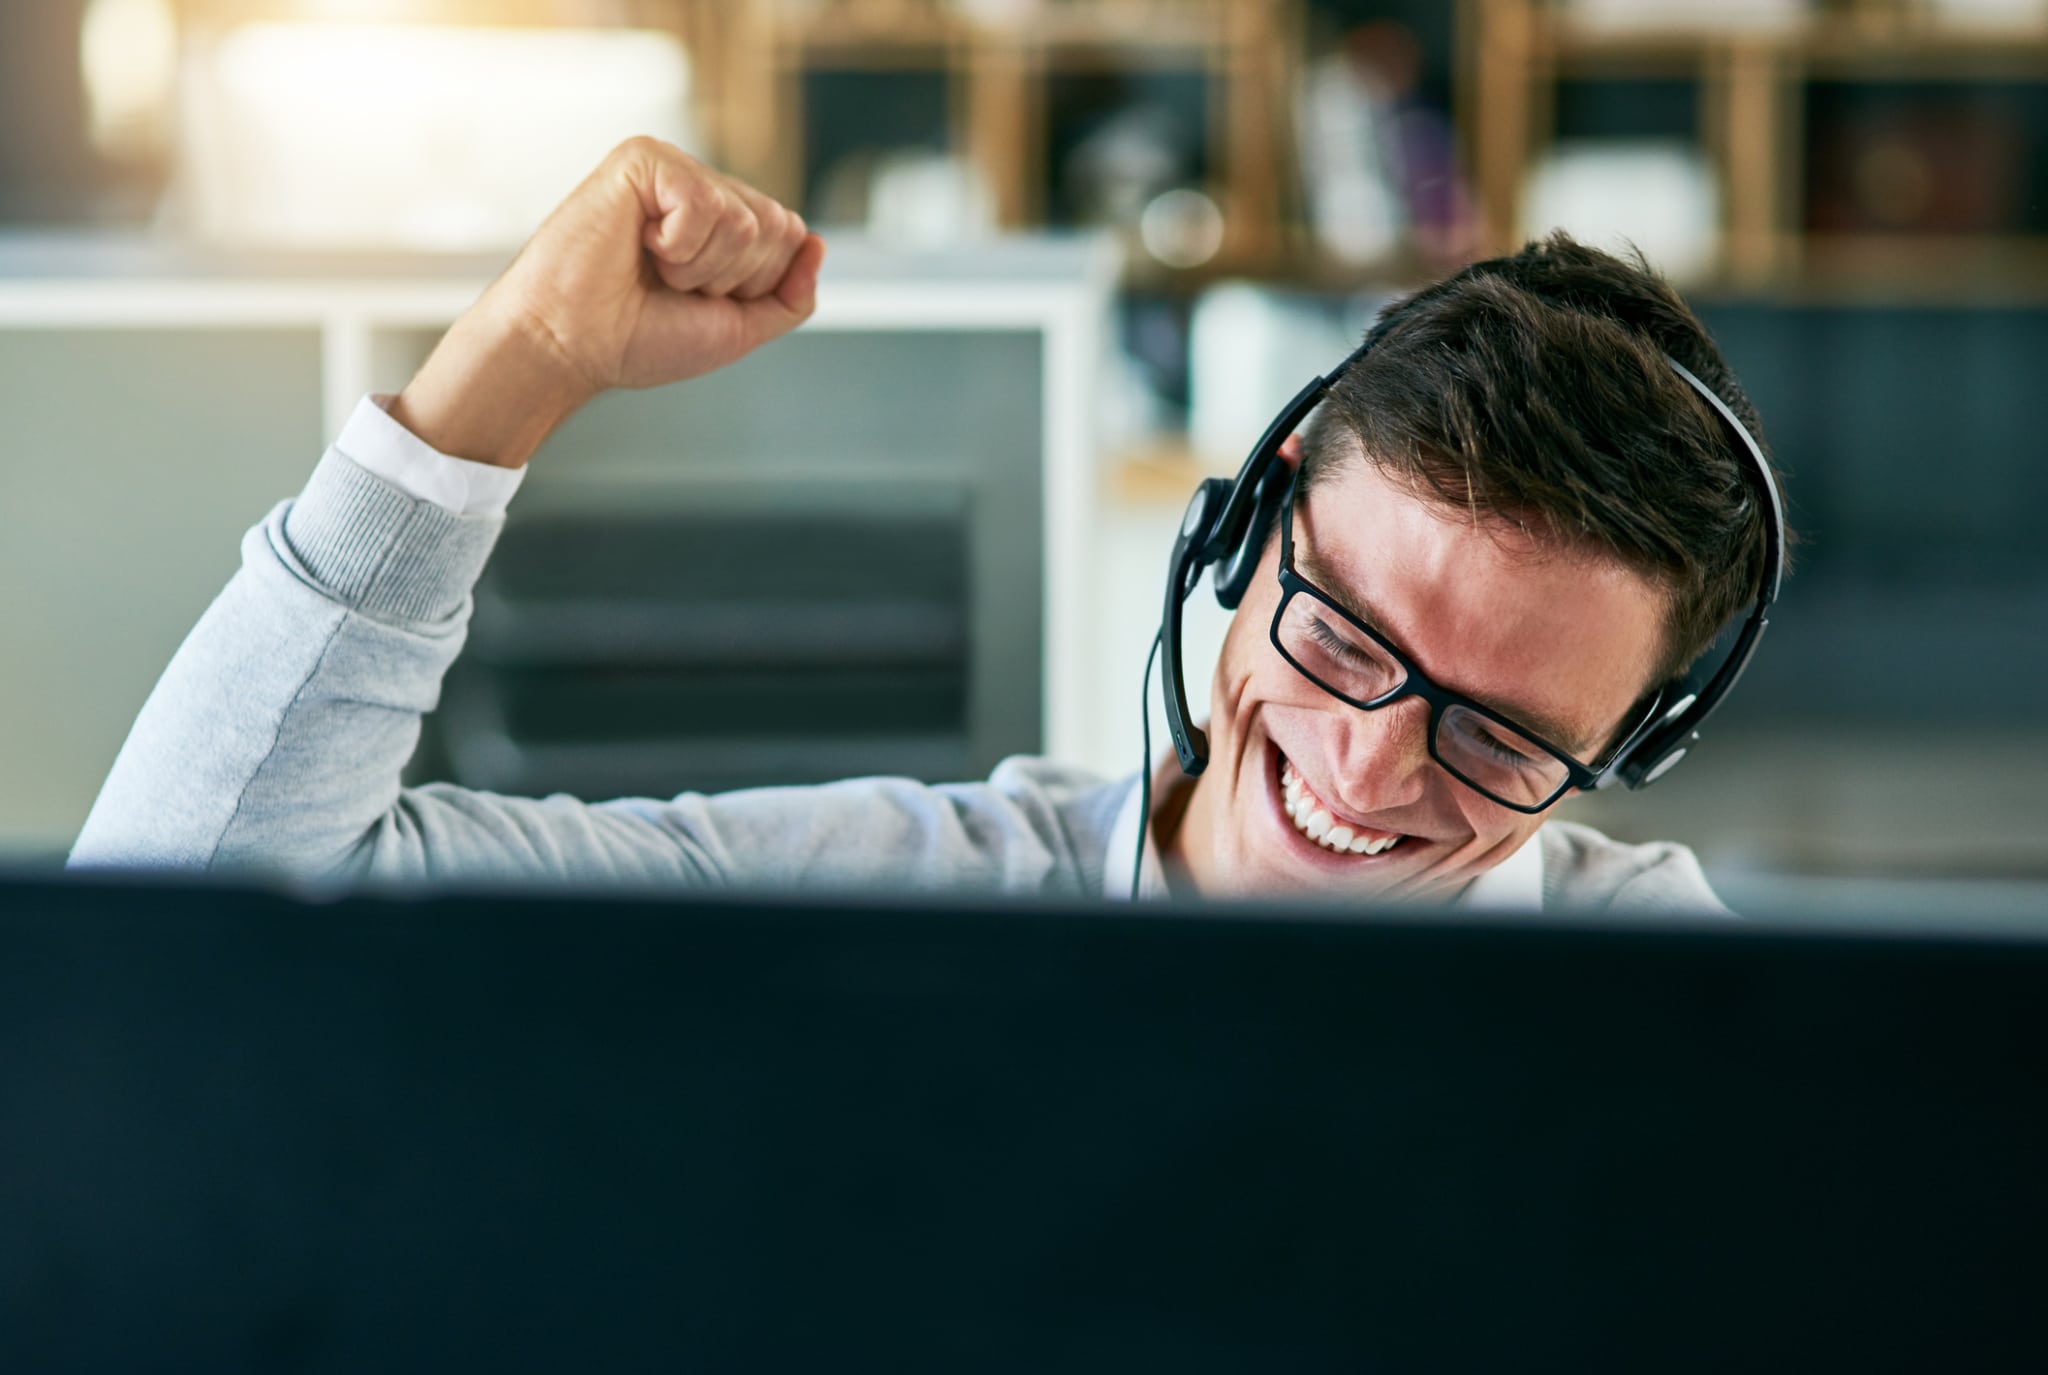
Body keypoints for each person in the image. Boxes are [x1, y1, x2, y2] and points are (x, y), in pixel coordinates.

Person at [70, 138, 1778, 912]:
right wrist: (505, 376)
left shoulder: (1657, 996)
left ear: (1627, 746)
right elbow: (174, 913)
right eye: (1343, 635)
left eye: (1499, 742)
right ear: (1241, 548)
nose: (1368, 768)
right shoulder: (911, 901)